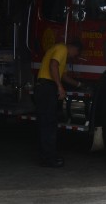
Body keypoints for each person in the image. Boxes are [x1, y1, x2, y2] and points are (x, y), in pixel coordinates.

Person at [34, 39, 83, 167]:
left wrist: (79, 84)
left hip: (43, 87)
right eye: (76, 54)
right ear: (73, 48)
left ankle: (44, 156)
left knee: (45, 123)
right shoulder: (62, 49)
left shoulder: (59, 50)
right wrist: (60, 87)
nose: (74, 57)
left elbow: (63, 75)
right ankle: (49, 159)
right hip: (47, 87)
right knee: (49, 124)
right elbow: (53, 65)